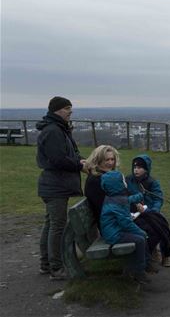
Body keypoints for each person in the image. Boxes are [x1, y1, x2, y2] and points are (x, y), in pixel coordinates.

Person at [36, 96, 86, 280]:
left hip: (54, 185)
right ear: (56, 110)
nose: (70, 112)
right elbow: (58, 159)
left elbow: (68, 154)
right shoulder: (53, 131)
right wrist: (79, 166)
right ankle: (56, 268)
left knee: (51, 225)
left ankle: (46, 264)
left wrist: (81, 161)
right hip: (54, 186)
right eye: (67, 109)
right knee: (57, 226)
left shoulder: (59, 130)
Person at [99, 170, 151, 284]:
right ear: (118, 185)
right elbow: (126, 224)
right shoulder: (117, 202)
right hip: (114, 235)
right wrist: (140, 232)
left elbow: (129, 200)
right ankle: (139, 272)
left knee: (141, 235)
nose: (125, 182)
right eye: (123, 181)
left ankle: (146, 264)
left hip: (115, 230)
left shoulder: (114, 197)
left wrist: (141, 195)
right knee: (140, 239)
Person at [126, 154, 170, 267]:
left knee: (162, 225)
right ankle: (152, 251)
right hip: (135, 213)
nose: (136, 170)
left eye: (140, 167)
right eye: (135, 167)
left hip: (150, 211)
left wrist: (154, 210)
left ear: (146, 169)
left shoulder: (152, 182)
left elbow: (158, 198)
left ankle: (166, 254)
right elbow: (125, 195)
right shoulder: (128, 180)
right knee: (148, 229)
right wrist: (134, 204)